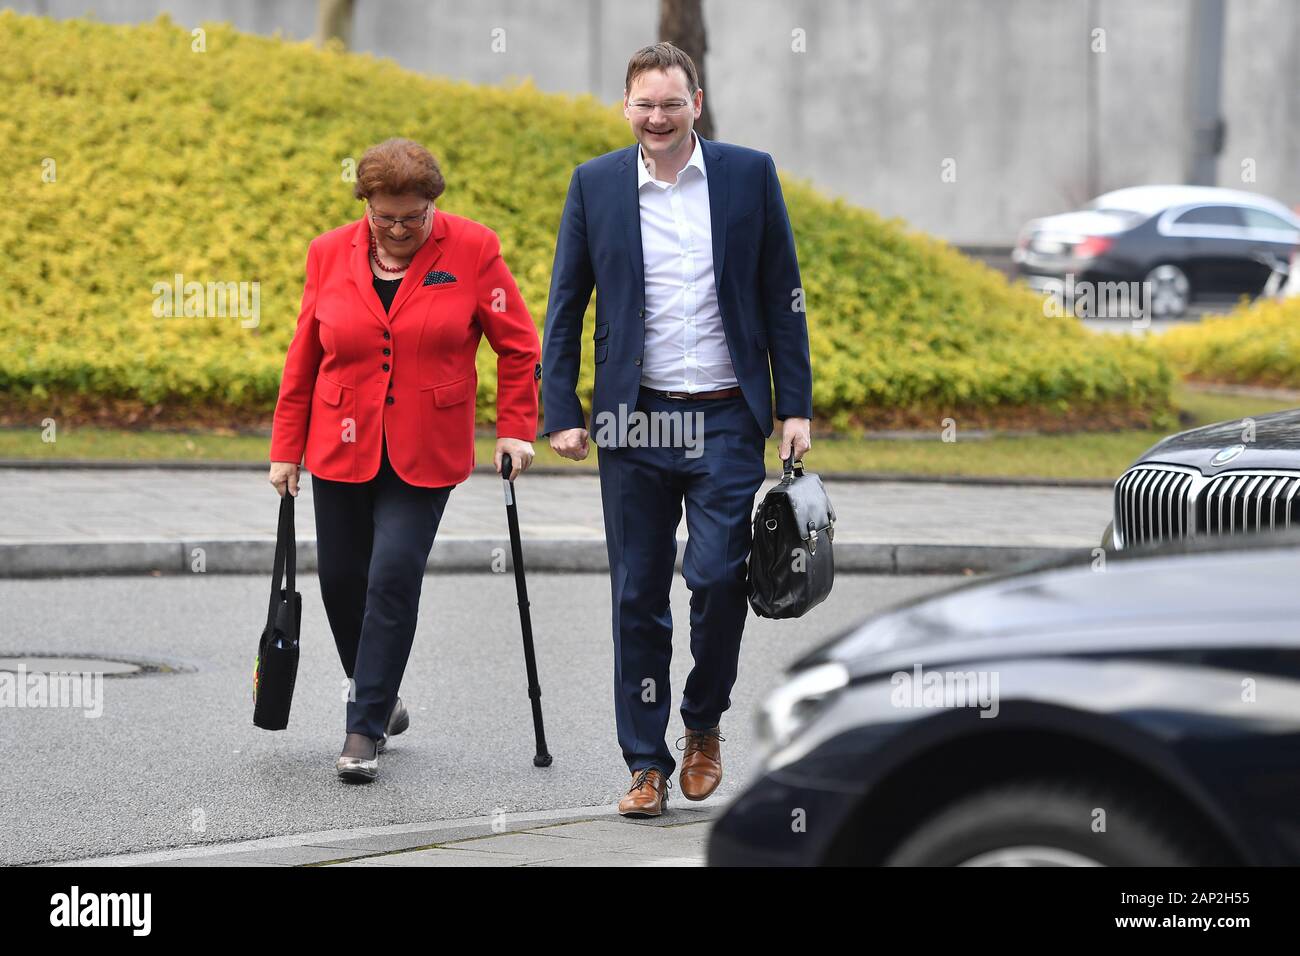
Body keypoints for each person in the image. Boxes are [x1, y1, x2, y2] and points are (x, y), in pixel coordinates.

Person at [540, 44, 814, 816]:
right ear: (626, 106)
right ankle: (644, 763)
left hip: (727, 415)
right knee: (637, 594)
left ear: (697, 100)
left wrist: (794, 405)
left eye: (671, 103)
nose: (656, 119)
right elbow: (566, 307)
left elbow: (781, 292)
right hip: (635, 417)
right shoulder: (595, 185)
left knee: (721, 578)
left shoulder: (746, 174)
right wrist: (560, 409)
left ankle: (702, 723)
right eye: (643, 105)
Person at [268, 138, 541, 782]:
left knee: (391, 573)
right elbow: (304, 354)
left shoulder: (473, 250)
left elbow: (518, 345)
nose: (396, 230)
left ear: (431, 207)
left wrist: (515, 429)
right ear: (365, 205)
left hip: (426, 446)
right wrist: (286, 448)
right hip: (341, 440)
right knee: (340, 581)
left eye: (411, 219)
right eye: (384, 217)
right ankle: (381, 693)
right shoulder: (328, 253)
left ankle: (362, 727)